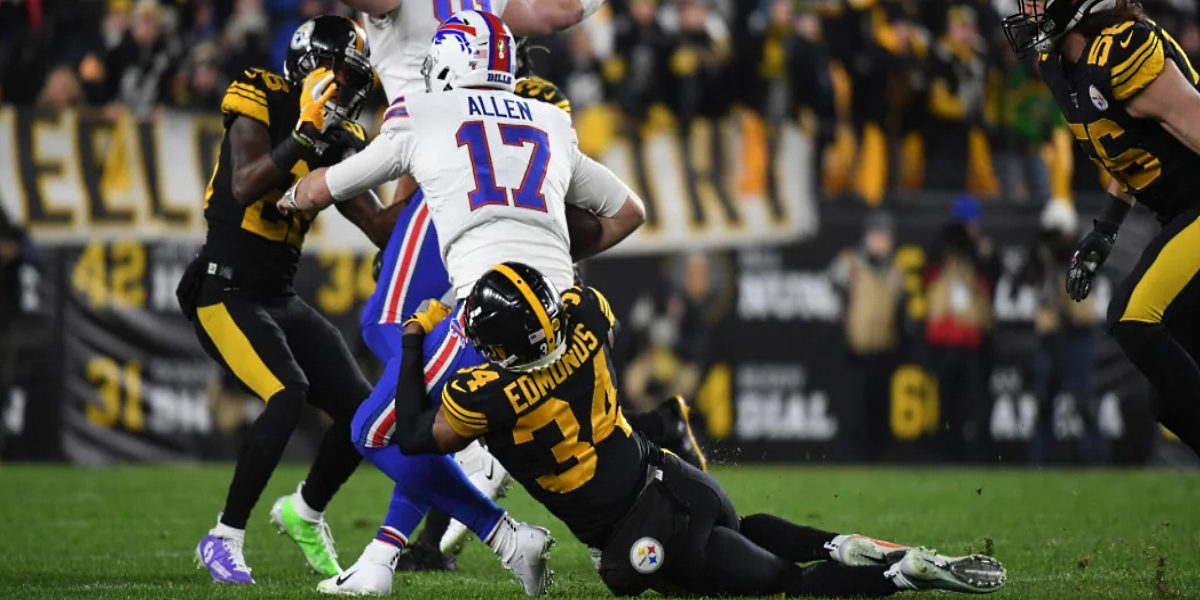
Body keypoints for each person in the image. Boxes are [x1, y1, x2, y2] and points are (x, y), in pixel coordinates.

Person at [279, 11, 646, 595]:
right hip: (568, 319)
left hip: (491, 312)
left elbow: (333, 187)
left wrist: (293, 187)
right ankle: (627, 537)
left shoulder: (426, 111)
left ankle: (496, 537)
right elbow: (629, 213)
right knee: (577, 444)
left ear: (449, 61)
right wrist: (550, 241)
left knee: (377, 427)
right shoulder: (550, 116)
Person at [384, 262, 1008, 598]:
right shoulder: (585, 314)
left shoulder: (481, 395)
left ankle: (896, 575)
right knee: (741, 531)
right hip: (675, 478)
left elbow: (413, 435)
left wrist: (413, 337)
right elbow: (570, 294)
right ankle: (839, 543)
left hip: (640, 535)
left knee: (786, 591)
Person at [340, 0, 610, 557]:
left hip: (463, 214)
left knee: (387, 339)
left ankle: (468, 500)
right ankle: (397, 541)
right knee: (563, 404)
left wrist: (315, 162)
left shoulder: (431, 106)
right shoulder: (545, 110)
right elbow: (559, 14)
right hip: (545, 274)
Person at [177, 15, 394, 584]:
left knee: (363, 413)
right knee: (288, 393)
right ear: (307, 67)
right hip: (223, 289)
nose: (347, 90)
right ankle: (222, 537)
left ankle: (308, 512)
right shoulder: (262, 95)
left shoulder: (338, 138)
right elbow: (246, 182)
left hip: (277, 294)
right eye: (340, 75)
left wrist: (416, 164)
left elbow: (377, 224)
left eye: (355, 80)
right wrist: (301, 131)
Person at [1003, 0, 1200, 457]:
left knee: (1133, 318)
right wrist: (1107, 228)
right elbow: (1124, 152)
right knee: (1170, 399)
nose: (1027, 8)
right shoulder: (1059, 66)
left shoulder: (1121, 52)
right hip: (1179, 217)